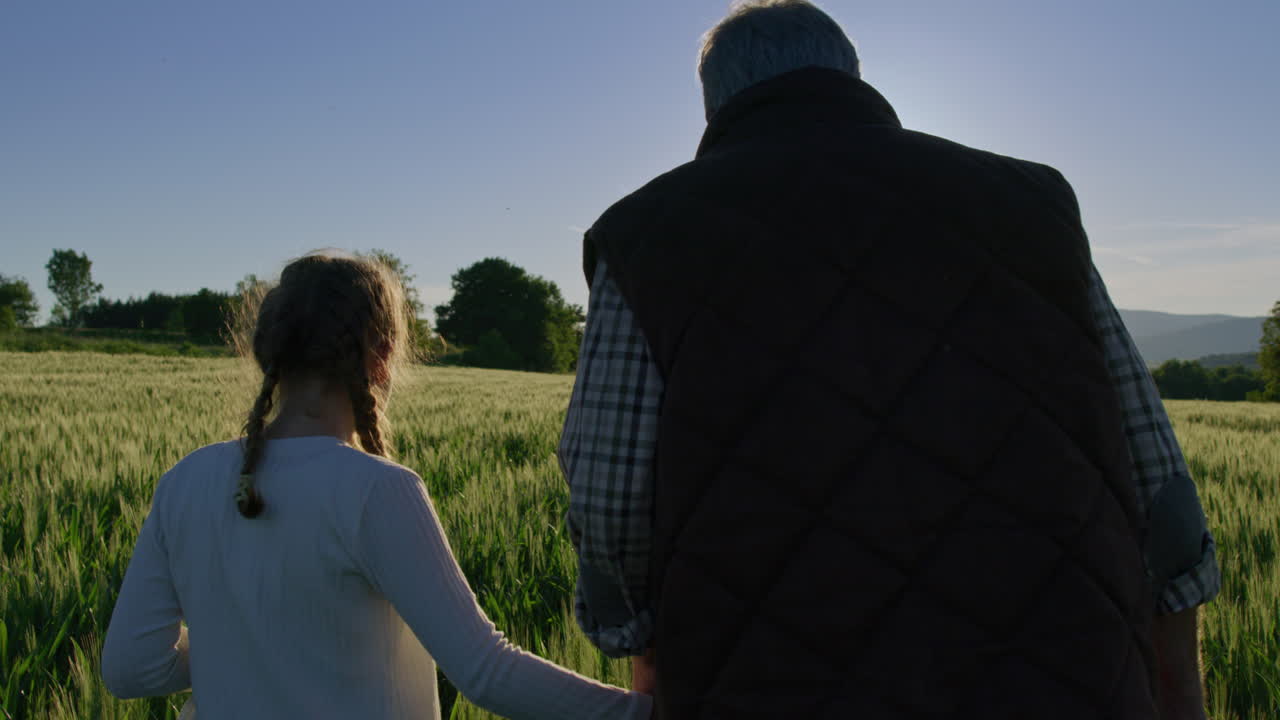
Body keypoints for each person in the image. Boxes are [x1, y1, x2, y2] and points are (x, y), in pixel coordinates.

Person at [559, 2, 1220, 718]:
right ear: (852, 75)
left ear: (714, 101)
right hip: (1075, 680)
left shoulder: (645, 236)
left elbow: (611, 502)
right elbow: (1158, 481)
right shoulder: (1035, 205)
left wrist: (640, 647)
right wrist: (1179, 689)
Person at [101, 252, 652, 719]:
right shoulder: (376, 491)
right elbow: (485, 670)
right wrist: (643, 712)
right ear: (382, 355)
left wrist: (245, 639)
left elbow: (130, 668)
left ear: (267, 350)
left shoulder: (185, 481)